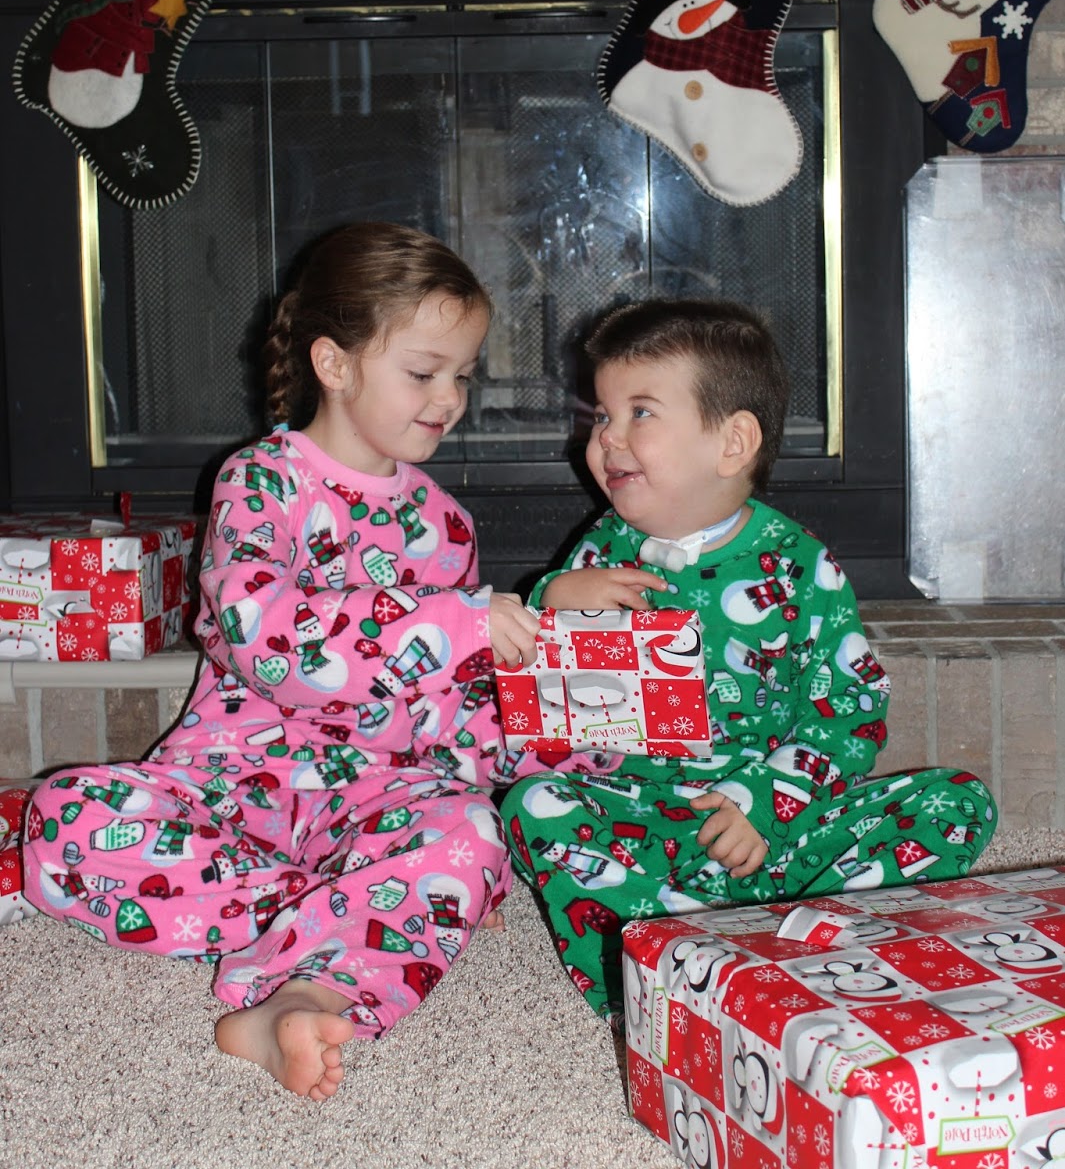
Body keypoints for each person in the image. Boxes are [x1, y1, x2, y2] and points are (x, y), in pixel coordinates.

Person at [21, 222, 608, 1100]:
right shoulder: (260, 482)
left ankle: (302, 993)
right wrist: (451, 624)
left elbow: (443, 712)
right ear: (333, 364)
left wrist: (561, 738)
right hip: (231, 778)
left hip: (372, 790)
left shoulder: (445, 526)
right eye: (424, 372)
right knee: (64, 821)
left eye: (462, 375)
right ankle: (364, 914)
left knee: (469, 831)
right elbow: (266, 642)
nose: (449, 398)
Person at [500, 298, 998, 1022]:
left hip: (777, 829)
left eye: (639, 413)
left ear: (732, 443)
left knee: (956, 800)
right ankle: (667, 971)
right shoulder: (599, 551)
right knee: (532, 807)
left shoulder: (800, 567)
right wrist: (551, 600)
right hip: (647, 823)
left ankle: (794, 936)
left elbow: (848, 715)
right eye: (602, 415)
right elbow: (549, 718)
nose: (605, 437)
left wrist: (764, 803)